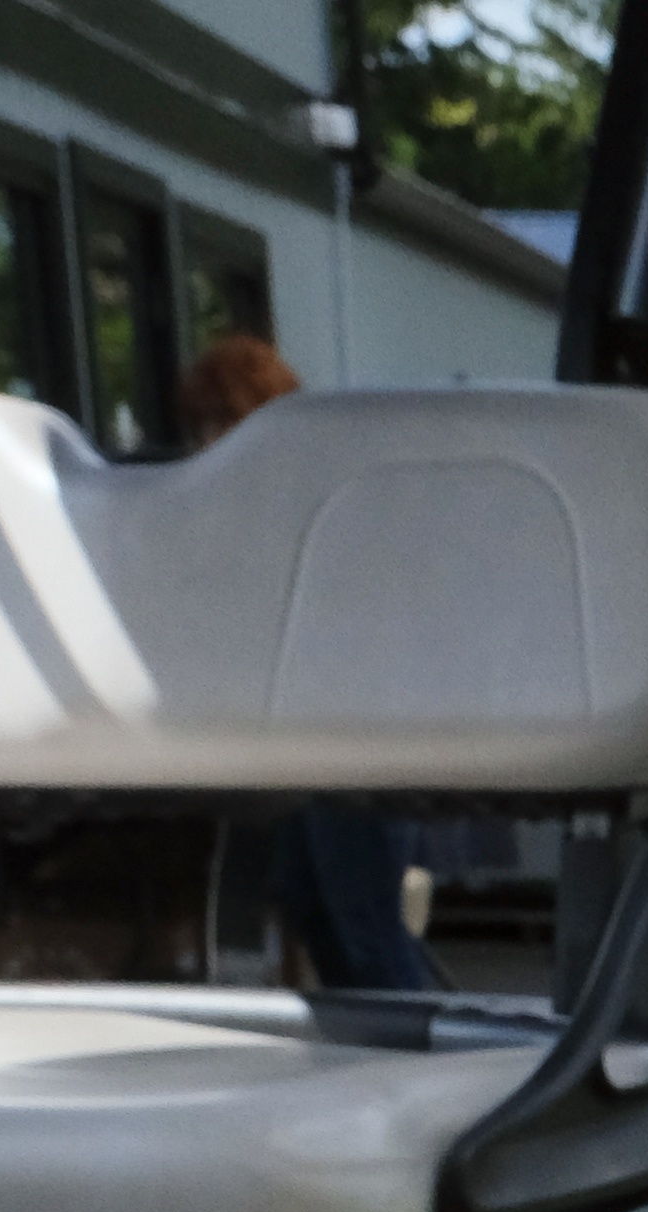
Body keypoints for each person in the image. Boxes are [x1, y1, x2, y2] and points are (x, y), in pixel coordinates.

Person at [174, 333, 441, 995]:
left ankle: (428, 1063)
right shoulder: (272, 500)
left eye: (217, 425)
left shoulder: (318, 500)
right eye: (201, 429)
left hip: (363, 736)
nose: (205, 445)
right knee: (306, 900)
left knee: (365, 926)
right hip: (314, 735)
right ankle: (378, 1052)